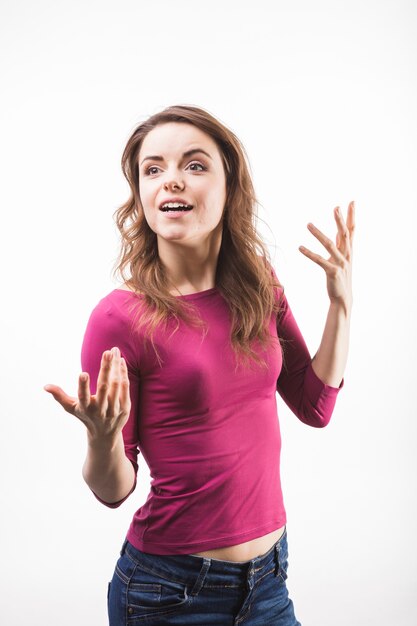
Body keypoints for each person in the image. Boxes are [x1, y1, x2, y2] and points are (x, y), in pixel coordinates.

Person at [44, 104, 354, 625]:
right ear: (140, 195)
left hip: (269, 581)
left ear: (229, 186)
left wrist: (342, 305)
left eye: (193, 165)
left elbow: (314, 404)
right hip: (167, 591)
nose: (171, 181)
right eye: (153, 169)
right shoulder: (119, 318)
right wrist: (102, 439)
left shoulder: (259, 286)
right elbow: (114, 490)